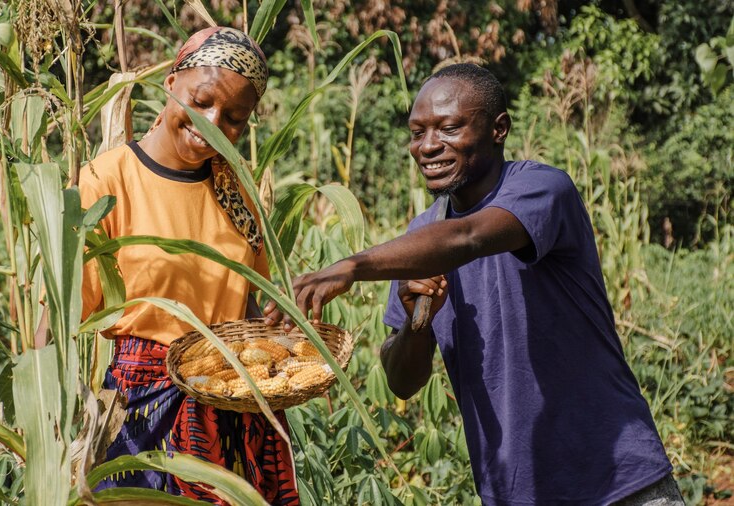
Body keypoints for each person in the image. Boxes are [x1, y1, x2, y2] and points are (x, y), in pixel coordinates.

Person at [264, 63, 681, 505]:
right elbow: (402, 382)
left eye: (448, 128)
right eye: (417, 132)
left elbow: (469, 237)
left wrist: (350, 266)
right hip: (517, 492)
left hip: (617, 480)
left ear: (498, 129)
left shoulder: (542, 188)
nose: (428, 147)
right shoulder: (421, 236)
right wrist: (416, 326)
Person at [76, 27, 299, 504]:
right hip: (138, 414)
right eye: (202, 101)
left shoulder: (238, 192)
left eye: (235, 118)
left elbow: (251, 304)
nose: (214, 123)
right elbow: (61, 316)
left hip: (230, 407)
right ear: (172, 81)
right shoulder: (106, 179)